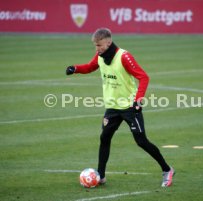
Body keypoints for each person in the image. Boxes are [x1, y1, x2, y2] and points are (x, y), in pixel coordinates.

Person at [65, 28, 174, 187]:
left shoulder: (124, 56)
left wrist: (138, 100)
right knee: (104, 138)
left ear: (108, 42)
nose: (97, 49)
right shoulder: (100, 56)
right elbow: (89, 67)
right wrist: (75, 68)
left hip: (130, 107)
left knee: (141, 141)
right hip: (112, 108)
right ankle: (101, 176)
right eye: (95, 46)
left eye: (99, 45)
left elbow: (143, 77)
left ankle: (167, 170)